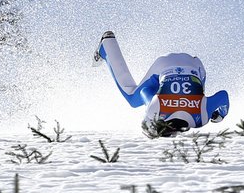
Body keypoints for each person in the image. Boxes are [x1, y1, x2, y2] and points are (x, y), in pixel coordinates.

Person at [95, 31, 229, 137]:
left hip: (194, 65)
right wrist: (155, 99)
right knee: (133, 99)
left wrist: (220, 115)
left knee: (197, 88)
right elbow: (144, 92)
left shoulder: (201, 119)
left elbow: (224, 96)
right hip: (165, 65)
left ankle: (108, 44)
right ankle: (106, 46)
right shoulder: (155, 111)